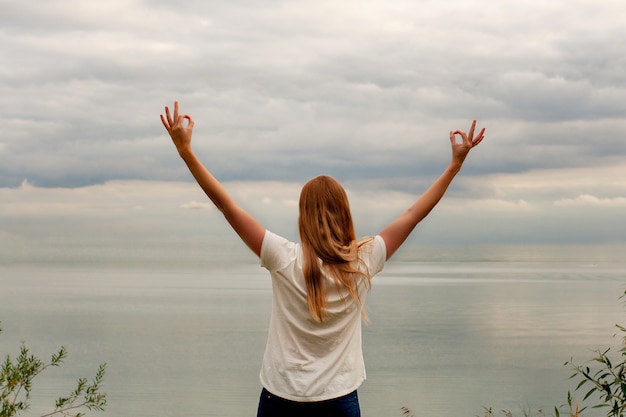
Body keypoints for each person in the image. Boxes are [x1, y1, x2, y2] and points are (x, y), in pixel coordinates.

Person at [160, 101, 485, 417]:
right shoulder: (363, 259)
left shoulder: (282, 256)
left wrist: (185, 152)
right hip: (338, 400)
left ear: (303, 215)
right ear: (344, 212)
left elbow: (226, 206)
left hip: (280, 397)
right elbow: (414, 214)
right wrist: (455, 165)